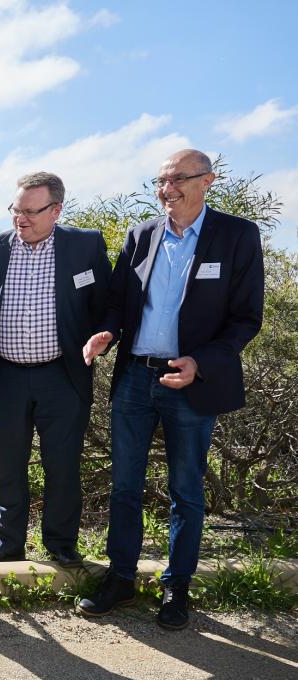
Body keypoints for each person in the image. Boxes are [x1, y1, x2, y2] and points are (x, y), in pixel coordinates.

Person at [78, 149, 265, 629]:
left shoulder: (237, 236)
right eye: (161, 181)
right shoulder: (142, 235)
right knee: (124, 487)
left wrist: (200, 362)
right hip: (136, 377)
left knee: (186, 490)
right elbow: (118, 302)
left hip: (191, 380)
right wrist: (107, 332)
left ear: (208, 181)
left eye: (178, 179)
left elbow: (246, 319)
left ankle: (176, 587)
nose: (167, 189)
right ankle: (119, 578)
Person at [0, 172, 112, 566]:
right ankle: (7, 542)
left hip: (63, 376)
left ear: (56, 210)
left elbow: (108, 302)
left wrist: (105, 334)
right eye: (16, 209)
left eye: (31, 211)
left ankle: (61, 545)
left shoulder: (85, 246)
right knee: (7, 464)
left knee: (62, 465)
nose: (20, 219)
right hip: (7, 376)